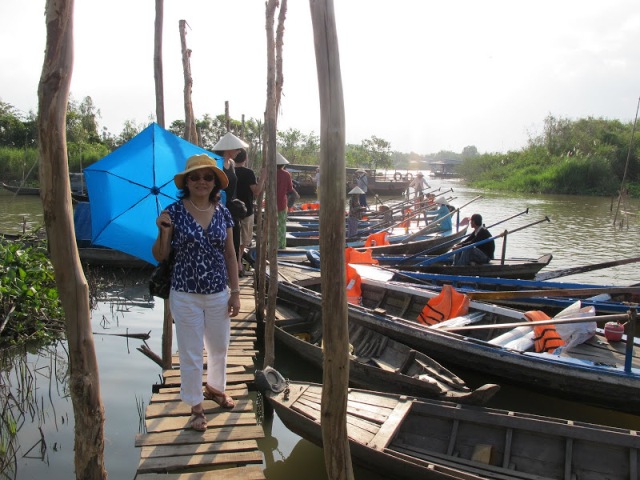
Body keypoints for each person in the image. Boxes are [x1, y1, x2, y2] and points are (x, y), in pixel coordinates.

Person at [152, 153, 240, 432]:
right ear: (186, 182)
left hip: (217, 292)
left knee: (219, 347)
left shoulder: (223, 211)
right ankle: (195, 408)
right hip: (185, 293)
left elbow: (230, 254)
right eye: (195, 177)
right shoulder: (173, 212)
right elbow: (160, 255)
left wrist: (235, 292)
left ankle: (215, 388)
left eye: (207, 176)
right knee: (190, 353)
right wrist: (163, 231)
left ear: (214, 182)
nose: (201, 181)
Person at [213, 132, 249, 266]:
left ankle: (232, 274)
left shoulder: (232, 163)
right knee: (221, 244)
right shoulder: (216, 163)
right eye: (237, 148)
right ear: (228, 148)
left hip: (231, 210)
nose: (239, 151)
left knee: (233, 242)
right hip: (217, 208)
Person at [234, 148, 265, 275]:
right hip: (246, 211)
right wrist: (263, 177)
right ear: (245, 158)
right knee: (244, 241)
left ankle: (237, 263)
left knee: (235, 239)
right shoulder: (248, 173)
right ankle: (238, 264)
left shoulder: (228, 170)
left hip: (232, 210)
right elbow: (256, 191)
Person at [276, 152, 296, 249]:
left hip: (270, 203)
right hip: (282, 203)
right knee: (282, 226)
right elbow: (289, 189)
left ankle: (270, 243)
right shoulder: (286, 174)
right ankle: (281, 245)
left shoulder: (269, 172)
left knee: (270, 225)